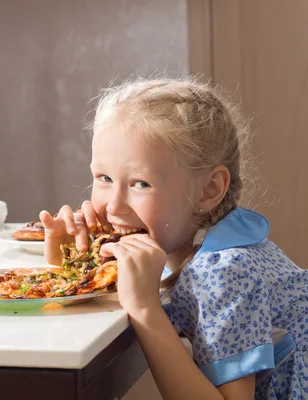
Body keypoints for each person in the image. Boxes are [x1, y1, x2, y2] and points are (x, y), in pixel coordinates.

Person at [40, 78, 308, 399]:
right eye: (105, 178)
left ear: (209, 190)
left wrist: (144, 310)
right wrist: (71, 260)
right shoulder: (182, 241)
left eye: (141, 183)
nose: (113, 206)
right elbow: (128, 289)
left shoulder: (223, 272)